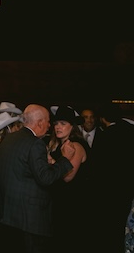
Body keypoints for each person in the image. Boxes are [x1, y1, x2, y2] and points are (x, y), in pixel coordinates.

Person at [0, 104, 76, 253]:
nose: (49, 125)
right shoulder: (35, 143)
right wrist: (65, 159)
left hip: (9, 217)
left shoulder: (9, 139)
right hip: (31, 221)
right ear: (39, 123)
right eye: (48, 121)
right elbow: (45, 178)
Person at [46, 105, 90, 253]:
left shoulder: (76, 145)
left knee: (69, 243)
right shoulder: (57, 145)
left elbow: (68, 177)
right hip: (59, 204)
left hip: (73, 206)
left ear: (72, 126)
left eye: (63, 124)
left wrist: (51, 162)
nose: (58, 127)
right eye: (56, 123)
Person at [92, 103, 134, 253]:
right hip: (127, 189)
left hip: (108, 191)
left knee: (109, 228)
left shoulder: (105, 136)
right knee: (123, 225)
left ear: (103, 119)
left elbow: (96, 167)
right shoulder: (130, 131)